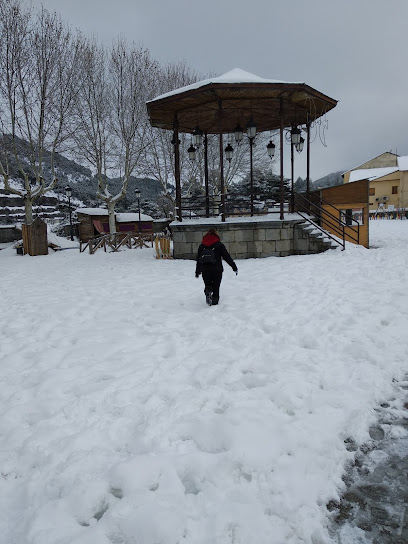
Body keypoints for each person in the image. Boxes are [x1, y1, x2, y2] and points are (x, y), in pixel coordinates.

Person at [195, 228, 238, 306]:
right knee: (216, 286)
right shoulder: (219, 245)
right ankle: (215, 302)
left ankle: (208, 290)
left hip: (205, 269)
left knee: (208, 284)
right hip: (217, 269)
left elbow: (198, 259)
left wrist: (198, 271)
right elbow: (226, 257)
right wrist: (233, 266)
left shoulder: (202, 246)